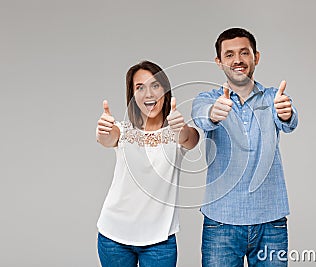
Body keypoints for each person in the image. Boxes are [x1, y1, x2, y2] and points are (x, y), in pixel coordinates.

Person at [191, 28, 298, 266]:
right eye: (229, 55)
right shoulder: (207, 99)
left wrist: (286, 112)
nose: (237, 60)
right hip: (221, 222)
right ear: (218, 62)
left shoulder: (273, 98)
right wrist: (214, 114)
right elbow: (201, 117)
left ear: (256, 57)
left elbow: (289, 121)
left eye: (244, 53)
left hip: (271, 221)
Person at [96, 60, 199, 267]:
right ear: (133, 95)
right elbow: (106, 139)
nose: (149, 94)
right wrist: (103, 130)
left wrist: (182, 129)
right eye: (139, 87)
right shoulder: (122, 130)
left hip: (159, 240)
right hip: (114, 236)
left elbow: (191, 138)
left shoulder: (177, 133)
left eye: (155, 85)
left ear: (165, 90)